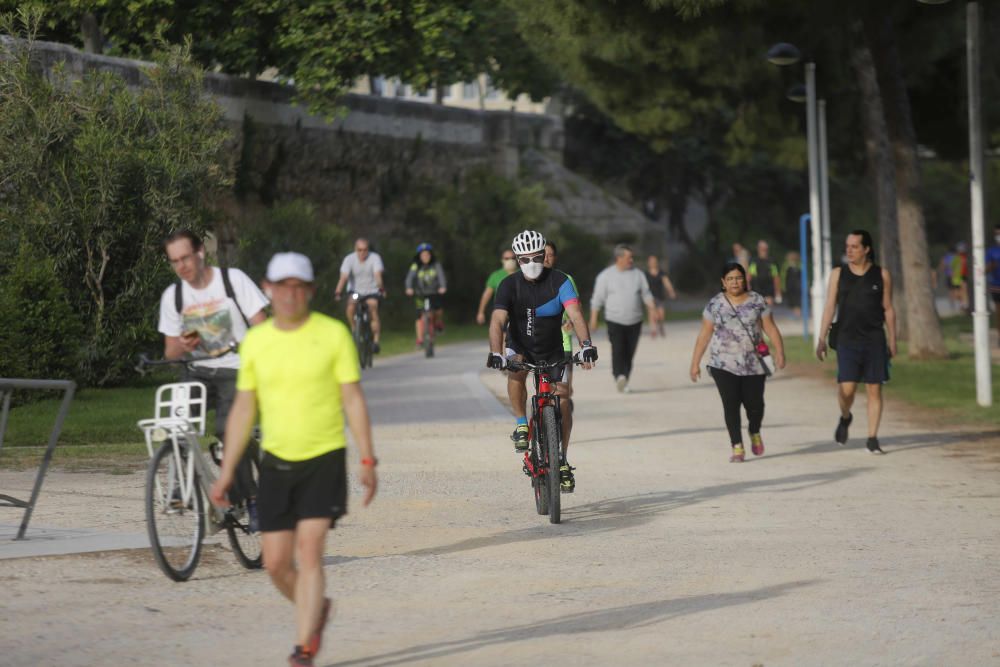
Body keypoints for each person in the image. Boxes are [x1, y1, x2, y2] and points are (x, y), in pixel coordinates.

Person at [210, 252, 378, 667]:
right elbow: (244, 409)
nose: (289, 294)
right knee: (275, 563)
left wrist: (368, 459)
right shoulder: (257, 342)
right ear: (268, 290)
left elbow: (352, 399)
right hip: (276, 462)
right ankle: (316, 608)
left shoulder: (333, 334)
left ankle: (303, 647)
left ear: (310, 291)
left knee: (310, 549)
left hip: (323, 456)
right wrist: (227, 470)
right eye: (281, 286)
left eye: (297, 287)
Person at [158, 229, 268, 514]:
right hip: (196, 371)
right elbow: (170, 353)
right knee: (177, 425)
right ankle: (180, 487)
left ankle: (250, 498)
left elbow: (262, 326)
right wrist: (182, 346)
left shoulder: (233, 281)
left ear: (200, 253)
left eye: (185, 258)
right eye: (174, 261)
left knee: (228, 429)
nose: (181, 266)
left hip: (235, 369)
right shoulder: (174, 296)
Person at [487, 230, 597, 493]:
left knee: (565, 403)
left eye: (537, 257)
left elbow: (576, 314)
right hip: (520, 346)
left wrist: (586, 346)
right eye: (525, 259)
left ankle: (561, 460)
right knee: (515, 371)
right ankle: (521, 424)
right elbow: (498, 320)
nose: (532, 263)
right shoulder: (508, 284)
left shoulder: (560, 281)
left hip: (553, 349)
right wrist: (496, 352)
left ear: (545, 256)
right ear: (517, 260)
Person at [689, 262, 785, 462]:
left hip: (754, 364)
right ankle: (737, 446)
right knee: (730, 405)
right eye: (730, 278)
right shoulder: (714, 304)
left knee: (755, 405)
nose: (735, 282)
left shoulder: (757, 301)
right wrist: (695, 362)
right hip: (722, 364)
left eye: (738, 278)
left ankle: (754, 431)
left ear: (745, 280)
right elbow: (704, 335)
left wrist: (780, 352)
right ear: (723, 282)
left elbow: (771, 328)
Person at [816, 229, 897, 455]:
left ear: (866, 249)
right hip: (846, 339)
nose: (849, 250)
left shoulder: (882, 275)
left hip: (874, 339)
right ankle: (845, 416)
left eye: (854, 246)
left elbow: (888, 308)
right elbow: (829, 306)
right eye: (847, 246)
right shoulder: (837, 274)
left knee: (874, 389)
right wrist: (821, 338)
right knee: (847, 390)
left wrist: (892, 339)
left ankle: (872, 439)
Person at [589, 244, 656, 393]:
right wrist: (593, 319)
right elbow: (597, 299)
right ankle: (619, 375)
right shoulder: (605, 276)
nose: (631, 260)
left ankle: (624, 377)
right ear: (618, 258)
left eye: (632, 257)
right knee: (618, 349)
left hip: (635, 320)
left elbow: (646, 294)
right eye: (628, 257)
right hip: (614, 320)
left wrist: (653, 310)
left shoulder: (638, 274)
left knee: (630, 352)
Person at [334, 238, 385, 353]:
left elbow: (377, 275)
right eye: (359, 250)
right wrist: (338, 292)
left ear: (368, 249)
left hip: (372, 291)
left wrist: (381, 288)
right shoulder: (349, 259)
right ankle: (354, 328)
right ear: (355, 250)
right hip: (356, 292)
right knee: (351, 306)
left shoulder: (375, 258)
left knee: (373, 308)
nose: (362, 253)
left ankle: (376, 341)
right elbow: (344, 277)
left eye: (365, 250)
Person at [544, 240, 577, 395]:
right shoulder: (527, 281)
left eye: (550, 255)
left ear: (555, 258)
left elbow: (576, 308)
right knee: (544, 388)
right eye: (543, 255)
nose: (546, 258)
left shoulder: (566, 279)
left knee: (563, 391)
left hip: (563, 341)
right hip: (538, 343)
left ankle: (564, 411)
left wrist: (571, 320)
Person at [405, 242, 447, 345]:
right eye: (423, 255)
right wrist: (409, 288)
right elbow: (409, 278)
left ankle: (438, 323)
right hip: (420, 294)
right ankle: (420, 338)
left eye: (427, 254)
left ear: (431, 255)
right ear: (419, 256)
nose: (425, 257)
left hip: (434, 293)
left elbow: (441, 276)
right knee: (419, 316)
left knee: (438, 310)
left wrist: (443, 287)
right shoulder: (416, 266)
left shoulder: (436, 265)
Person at [476, 248, 518, 325]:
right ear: (502, 260)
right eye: (507, 258)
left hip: (520, 314)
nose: (510, 260)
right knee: (503, 336)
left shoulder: (523, 274)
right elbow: (486, 295)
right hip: (502, 313)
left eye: (512, 258)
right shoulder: (496, 275)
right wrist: (480, 312)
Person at [644, 254, 678, 337]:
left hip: (660, 296)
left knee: (661, 315)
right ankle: (653, 330)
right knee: (652, 314)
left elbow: (667, 283)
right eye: (651, 261)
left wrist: (671, 292)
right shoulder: (645, 274)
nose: (652, 263)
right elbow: (642, 285)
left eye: (654, 261)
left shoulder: (661, 272)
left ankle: (661, 326)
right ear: (648, 263)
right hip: (649, 297)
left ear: (656, 262)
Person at [748, 240, 782, 306]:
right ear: (758, 249)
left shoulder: (772, 261)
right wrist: (747, 288)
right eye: (762, 249)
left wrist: (778, 292)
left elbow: (776, 277)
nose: (764, 251)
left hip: (768, 289)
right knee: (757, 310)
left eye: (765, 249)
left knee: (767, 309)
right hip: (756, 288)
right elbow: (749, 275)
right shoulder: (754, 261)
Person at [986, 226, 1000, 346]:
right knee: (998, 312)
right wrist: (992, 266)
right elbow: (984, 269)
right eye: (997, 234)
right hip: (996, 285)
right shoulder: (991, 251)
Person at [783, 251, 803, 317]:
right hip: (789, 286)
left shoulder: (799, 265)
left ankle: (797, 313)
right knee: (791, 300)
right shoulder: (786, 265)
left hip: (797, 286)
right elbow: (783, 276)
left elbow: (803, 275)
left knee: (797, 301)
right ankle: (795, 313)